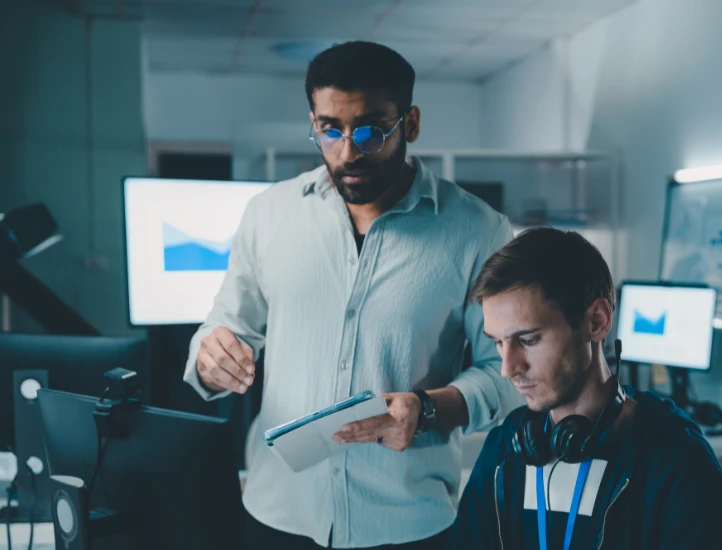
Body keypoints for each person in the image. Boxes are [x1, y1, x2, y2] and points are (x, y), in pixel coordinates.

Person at [182, 41, 522, 549]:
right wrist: (210, 354)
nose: (347, 152)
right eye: (329, 130)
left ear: (410, 124)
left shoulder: (478, 230)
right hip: (278, 513)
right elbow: (227, 325)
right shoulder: (268, 214)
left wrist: (426, 409)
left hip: (407, 525)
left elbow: (508, 371)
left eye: (370, 131)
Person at [452, 228, 722, 549]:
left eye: (529, 340)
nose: (509, 369)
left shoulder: (675, 460)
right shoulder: (504, 451)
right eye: (498, 342)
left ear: (596, 322)